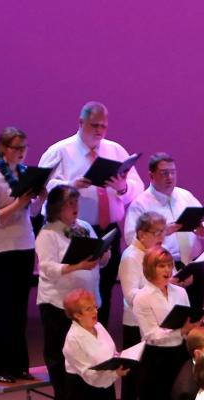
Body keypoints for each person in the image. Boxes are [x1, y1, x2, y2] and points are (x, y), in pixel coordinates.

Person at [40, 101, 144, 326]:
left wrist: (122, 188)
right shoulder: (60, 151)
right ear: (80, 123)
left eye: (103, 126)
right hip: (73, 230)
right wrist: (71, 185)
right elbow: (43, 187)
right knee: (75, 287)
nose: (99, 131)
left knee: (103, 288)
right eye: (94, 125)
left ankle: (99, 341)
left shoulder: (115, 150)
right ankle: (72, 344)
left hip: (107, 228)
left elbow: (138, 187)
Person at [0, 126, 46, 383]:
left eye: (24, 148)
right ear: (4, 149)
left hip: (24, 246)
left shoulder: (24, 174)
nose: (21, 153)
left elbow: (31, 213)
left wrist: (38, 199)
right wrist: (16, 204)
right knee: (4, 308)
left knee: (19, 309)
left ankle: (18, 365)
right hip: (2, 250)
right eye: (16, 148)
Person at [36, 185, 108, 400]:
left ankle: (85, 398)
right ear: (57, 208)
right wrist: (76, 266)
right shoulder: (48, 233)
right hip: (58, 303)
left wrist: (104, 255)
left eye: (76, 202)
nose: (75, 207)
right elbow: (46, 268)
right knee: (59, 354)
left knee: (89, 350)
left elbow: (99, 260)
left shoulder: (84, 227)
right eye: (69, 203)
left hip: (87, 301)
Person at [132, 247, 195, 400]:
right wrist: (180, 331)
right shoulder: (142, 297)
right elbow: (151, 335)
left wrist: (191, 328)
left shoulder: (180, 292)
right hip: (155, 362)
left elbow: (187, 324)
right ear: (150, 269)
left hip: (179, 357)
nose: (167, 270)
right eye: (161, 266)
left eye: (169, 265)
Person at [124, 153, 204, 308]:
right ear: (151, 176)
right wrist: (163, 232)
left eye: (173, 172)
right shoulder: (140, 204)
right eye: (164, 173)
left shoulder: (185, 195)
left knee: (195, 317)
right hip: (165, 269)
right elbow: (132, 238)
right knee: (172, 321)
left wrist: (202, 229)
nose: (170, 177)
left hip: (193, 264)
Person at [118, 211, 165, 400]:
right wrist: (156, 290)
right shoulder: (131, 257)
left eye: (163, 231)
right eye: (157, 232)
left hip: (153, 322)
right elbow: (130, 294)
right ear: (141, 233)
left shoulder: (152, 254)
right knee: (135, 376)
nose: (162, 237)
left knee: (148, 376)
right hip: (135, 324)